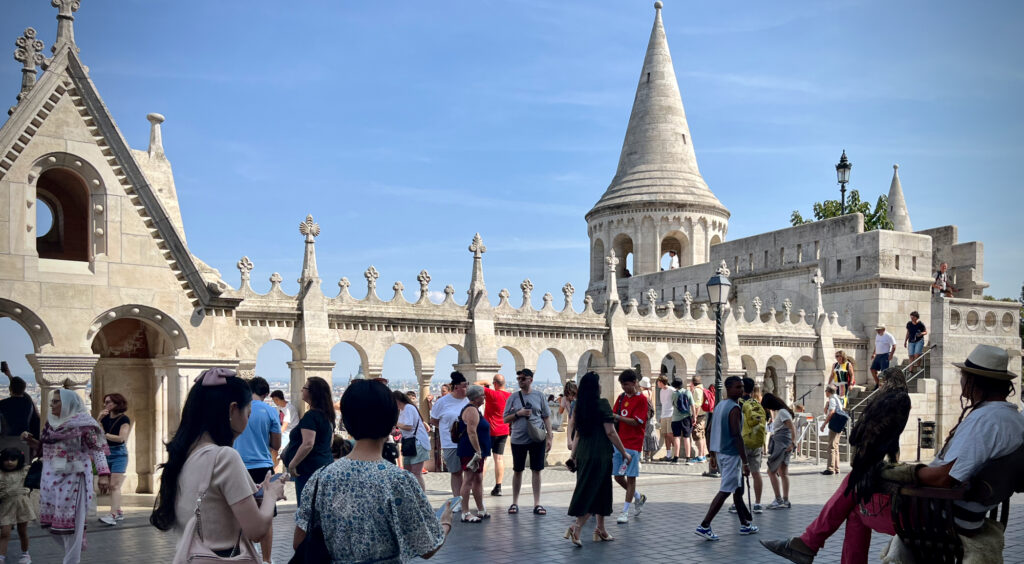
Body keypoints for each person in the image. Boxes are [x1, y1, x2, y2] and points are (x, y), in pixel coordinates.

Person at [761, 344, 1024, 564]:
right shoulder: (1011, 418)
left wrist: (905, 473)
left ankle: (807, 543)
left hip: (940, 514)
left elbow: (947, 478)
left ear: (978, 381)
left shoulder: (986, 421)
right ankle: (807, 543)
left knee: (855, 503)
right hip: (960, 510)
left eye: (965, 376)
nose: (962, 380)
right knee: (857, 481)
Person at [293, 379, 453, 562]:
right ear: (392, 421)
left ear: (345, 420)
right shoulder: (399, 480)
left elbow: (299, 541)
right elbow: (427, 547)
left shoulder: (321, 478)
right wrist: (445, 523)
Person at [150, 369, 285, 562]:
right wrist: (271, 494)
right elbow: (256, 530)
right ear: (232, 410)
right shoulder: (224, 457)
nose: (247, 420)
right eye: (248, 413)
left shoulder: (186, 452)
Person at [20, 389, 110, 564]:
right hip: (51, 478)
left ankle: (71, 560)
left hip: (75, 479)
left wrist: (104, 474)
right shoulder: (51, 424)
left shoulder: (85, 424)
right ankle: (73, 551)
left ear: (69, 403)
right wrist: (32, 442)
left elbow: (97, 449)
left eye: (56, 402)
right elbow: (47, 447)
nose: (52, 405)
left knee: (73, 525)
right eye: (52, 401)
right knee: (50, 523)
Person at [564, 372, 631, 546]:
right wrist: (624, 452)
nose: (601, 385)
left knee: (599, 489)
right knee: (593, 491)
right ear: (595, 387)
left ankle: (601, 529)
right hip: (599, 453)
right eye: (599, 383)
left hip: (583, 454)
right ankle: (576, 526)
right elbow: (610, 432)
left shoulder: (580, 406)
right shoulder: (602, 404)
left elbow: (577, 433)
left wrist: (573, 457)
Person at [695, 376, 758, 541]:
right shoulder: (734, 408)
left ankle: (745, 524)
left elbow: (709, 430)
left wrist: (712, 454)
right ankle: (705, 525)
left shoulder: (719, 406)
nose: (740, 390)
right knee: (725, 491)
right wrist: (745, 462)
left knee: (736, 488)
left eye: (741, 387)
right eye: (737, 387)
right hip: (731, 454)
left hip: (721, 452)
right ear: (728, 389)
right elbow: (737, 435)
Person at [231, 377, 281, 564]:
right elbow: (276, 443)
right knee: (266, 515)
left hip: (238, 465)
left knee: (239, 514)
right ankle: (266, 560)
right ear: (266, 394)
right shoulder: (270, 411)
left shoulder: (236, 408)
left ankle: (244, 556)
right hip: (262, 467)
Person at [502, 368, 552, 515]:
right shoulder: (513, 397)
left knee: (537, 470)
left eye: (523, 378)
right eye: (518, 378)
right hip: (518, 439)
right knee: (518, 470)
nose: (520, 381)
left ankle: (537, 503)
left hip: (537, 437)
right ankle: (514, 502)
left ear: (530, 379)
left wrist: (550, 436)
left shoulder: (539, 396)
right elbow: (505, 419)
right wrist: (519, 414)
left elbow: (547, 417)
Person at [285, 376, 336, 503]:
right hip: (325, 466)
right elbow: (330, 442)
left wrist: (292, 464)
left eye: (304, 388)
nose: (302, 390)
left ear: (312, 393)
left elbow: (308, 443)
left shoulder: (311, 416)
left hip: (309, 469)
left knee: (306, 509)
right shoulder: (327, 415)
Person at [611, 369, 649, 524]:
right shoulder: (620, 398)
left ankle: (625, 511)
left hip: (634, 443)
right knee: (618, 476)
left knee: (631, 477)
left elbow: (636, 421)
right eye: (622, 385)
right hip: (620, 442)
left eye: (626, 384)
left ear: (634, 383)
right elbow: (613, 416)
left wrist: (619, 417)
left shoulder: (642, 400)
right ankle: (638, 496)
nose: (624, 388)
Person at [430, 372, 469, 497]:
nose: (466, 388)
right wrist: (447, 428)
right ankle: (457, 499)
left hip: (468, 441)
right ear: (456, 387)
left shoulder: (469, 400)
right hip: (451, 443)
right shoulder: (443, 402)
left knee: (470, 473)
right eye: (464, 386)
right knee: (456, 472)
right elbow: (434, 420)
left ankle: (467, 499)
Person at [96, 393, 132, 527]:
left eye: (109, 402)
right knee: (109, 485)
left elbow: (121, 438)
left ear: (117, 403)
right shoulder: (104, 418)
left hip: (119, 454)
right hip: (105, 453)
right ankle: (118, 510)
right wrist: (99, 419)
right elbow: (95, 432)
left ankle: (113, 515)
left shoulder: (124, 419)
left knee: (114, 485)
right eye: (105, 402)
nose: (106, 405)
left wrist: (105, 435)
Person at [457, 385, 491, 522]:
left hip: (476, 451)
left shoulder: (475, 409)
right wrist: (477, 451)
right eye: (482, 395)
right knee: (468, 480)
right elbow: (472, 432)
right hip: (471, 451)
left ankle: (480, 508)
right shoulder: (471, 410)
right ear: (476, 397)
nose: (484, 397)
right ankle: (465, 512)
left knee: (478, 479)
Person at [734, 379, 766, 514]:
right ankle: (758, 503)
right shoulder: (756, 404)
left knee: (740, 472)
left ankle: (739, 503)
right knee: (756, 472)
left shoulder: (739, 404)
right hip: (756, 442)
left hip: (743, 442)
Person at [0, 448, 35, 564]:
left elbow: (37, 467)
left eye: (13, 459)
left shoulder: (24, 471)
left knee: (22, 531)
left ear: (19, 460)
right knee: (4, 532)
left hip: (22, 505)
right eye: (6, 460)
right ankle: (1, 557)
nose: (9, 462)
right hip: (6, 505)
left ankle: (25, 554)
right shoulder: (1, 474)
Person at [478, 374, 510, 497]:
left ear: (495, 383)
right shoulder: (509, 396)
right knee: (499, 458)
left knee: (484, 458)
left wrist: (485, 381)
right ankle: (498, 486)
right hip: (503, 430)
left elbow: (475, 385)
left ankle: (479, 484)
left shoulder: (491, 393)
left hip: (490, 430)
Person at [762, 393, 795, 510]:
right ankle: (785, 500)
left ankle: (778, 499)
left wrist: (793, 442)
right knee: (783, 472)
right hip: (785, 443)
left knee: (771, 471)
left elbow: (791, 427)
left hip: (781, 444)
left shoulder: (782, 413)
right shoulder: (784, 412)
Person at [394, 391, 431, 490]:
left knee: (416, 473)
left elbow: (408, 426)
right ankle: (413, 494)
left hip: (417, 442)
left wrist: (396, 423)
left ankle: (421, 496)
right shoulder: (403, 409)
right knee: (408, 472)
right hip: (410, 442)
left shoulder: (408, 408)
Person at [0, 364, 40, 440]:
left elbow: (17, 388)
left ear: (10, 389)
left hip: (6, 440)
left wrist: (9, 376)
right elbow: (20, 390)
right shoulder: (28, 403)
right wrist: (9, 376)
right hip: (25, 440)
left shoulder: (3, 404)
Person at [270, 389, 298, 470]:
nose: (274, 402)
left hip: (290, 432)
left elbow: (285, 425)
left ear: (277, 399)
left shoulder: (289, 408)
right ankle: (275, 468)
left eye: (274, 400)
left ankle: (275, 469)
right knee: (274, 450)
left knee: (277, 449)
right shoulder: (279, 407)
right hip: (284, 432)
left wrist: (275, 435)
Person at [820, 385, 845, 476]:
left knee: (831, 447)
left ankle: (830, 468)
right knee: (835, 446)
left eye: (826, 390)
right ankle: (836, 467)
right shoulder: (836, 399)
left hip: (835, 425)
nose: (825, 392)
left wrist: (824, 424)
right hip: (839, 425)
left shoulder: (832, 400)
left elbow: (831, 412)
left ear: (828, 391)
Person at [669, 378, 693, 464]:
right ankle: (688, 458)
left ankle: (676, 458)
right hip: (686, 417)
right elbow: (692, 405)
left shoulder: (674, 394)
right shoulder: (688, 392)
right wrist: (694, 416)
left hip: (676, 418)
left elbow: (673, 404)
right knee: (687, 437)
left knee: (677, 437)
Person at [639, 377, 659, 463]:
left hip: (644, 416)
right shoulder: (650, 392)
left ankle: (642, 456)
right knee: (650, 435)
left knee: (643, 435)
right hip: (650, 416)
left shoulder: (642, 393)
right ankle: (648, 456)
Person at [870, 325, 896, 389]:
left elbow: (894, 346)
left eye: (879, 330)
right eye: (877, 330)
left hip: (885, 355)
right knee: (872, 369)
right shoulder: (877, 336)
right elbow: (876, 345)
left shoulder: (889, 336)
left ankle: (881, 385)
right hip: (878, 355)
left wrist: (891, 355)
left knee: (883, 371)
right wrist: (874, 353)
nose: (878, 331)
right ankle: (878, 383)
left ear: (883, 329)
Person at [656, 376, 675, 462]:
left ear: (661, 382)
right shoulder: (661, 391)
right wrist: (661, 416)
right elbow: (663, 403)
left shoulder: (672, 390)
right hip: (664, 415)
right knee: (665, 435)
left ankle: (676, 452)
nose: (657, 384)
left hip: (671, 414)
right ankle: (668, 454)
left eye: (658, 382)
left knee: (670, 434)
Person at [690, 375, 709, 463]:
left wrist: (695, 417)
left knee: (698, 435)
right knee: (701, 434)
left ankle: (701, 456)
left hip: (699, 415)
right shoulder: (702, 388)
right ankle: (703, 454)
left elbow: (697, 405)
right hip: (703, 414)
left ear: (692, 382)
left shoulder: (697, 390)